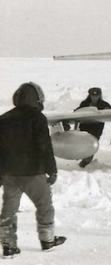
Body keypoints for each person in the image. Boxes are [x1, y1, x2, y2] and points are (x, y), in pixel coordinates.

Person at [0, 82, 66, 259]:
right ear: (36, 98)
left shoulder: (4, 118)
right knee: (44, 206)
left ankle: (8, 246)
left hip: (9, 174)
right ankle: (47, 241)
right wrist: (52, 170)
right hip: (32, 173)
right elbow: (44, 146)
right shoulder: (37, 117)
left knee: (8, 210)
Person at [75, 87, 111, 168]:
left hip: (96, 130)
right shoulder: (84, 104)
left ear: (99, 96)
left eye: (96, 96)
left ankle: (84, 163)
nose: (94, 98)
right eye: (93, 96)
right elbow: (76, 112)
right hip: (84, 129)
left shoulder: (103, 104)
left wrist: (107, 110)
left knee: (91, 146)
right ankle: (83, 162)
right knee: (84, 146)